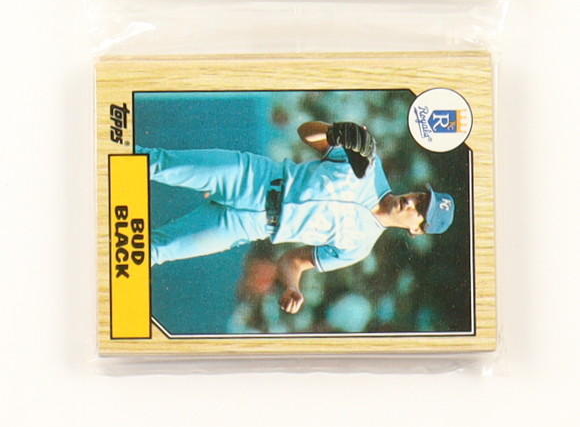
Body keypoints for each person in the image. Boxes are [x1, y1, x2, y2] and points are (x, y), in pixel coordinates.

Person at [139, 117, 455, 315]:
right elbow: (306, 132)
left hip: (247, 226)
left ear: (417, 230)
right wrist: (335, 131)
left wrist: (293, 287)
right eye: (420, 197)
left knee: (155, 251)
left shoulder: (359, 247)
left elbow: (293, 261)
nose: (412, 202)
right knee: (154, 163)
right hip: (251, 177)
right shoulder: (368, 164)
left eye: (420, 210)